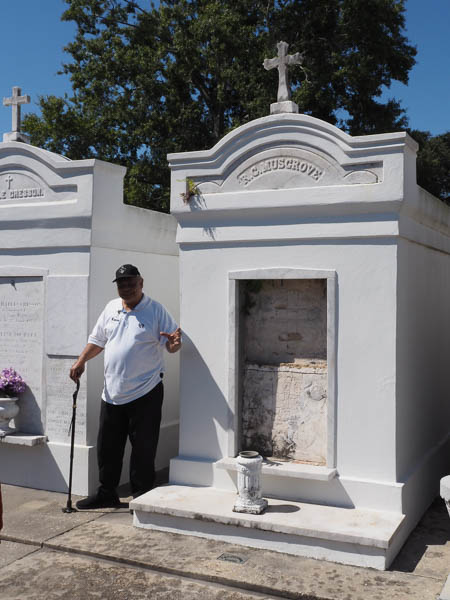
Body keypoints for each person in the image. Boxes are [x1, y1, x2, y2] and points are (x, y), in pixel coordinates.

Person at [69, 264, 181, 509]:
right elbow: (98, 340)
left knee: (143, 449)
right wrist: (81, 361)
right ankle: (107, 493)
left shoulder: (155, 310)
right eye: (122, 283)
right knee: (107, 448)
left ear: (141, 282)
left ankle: (141, 496)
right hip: (112, 393)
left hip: (146, 391)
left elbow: (171, 344)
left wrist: (174, 344)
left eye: (131, 282)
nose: (126, 287)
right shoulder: (111, 308)